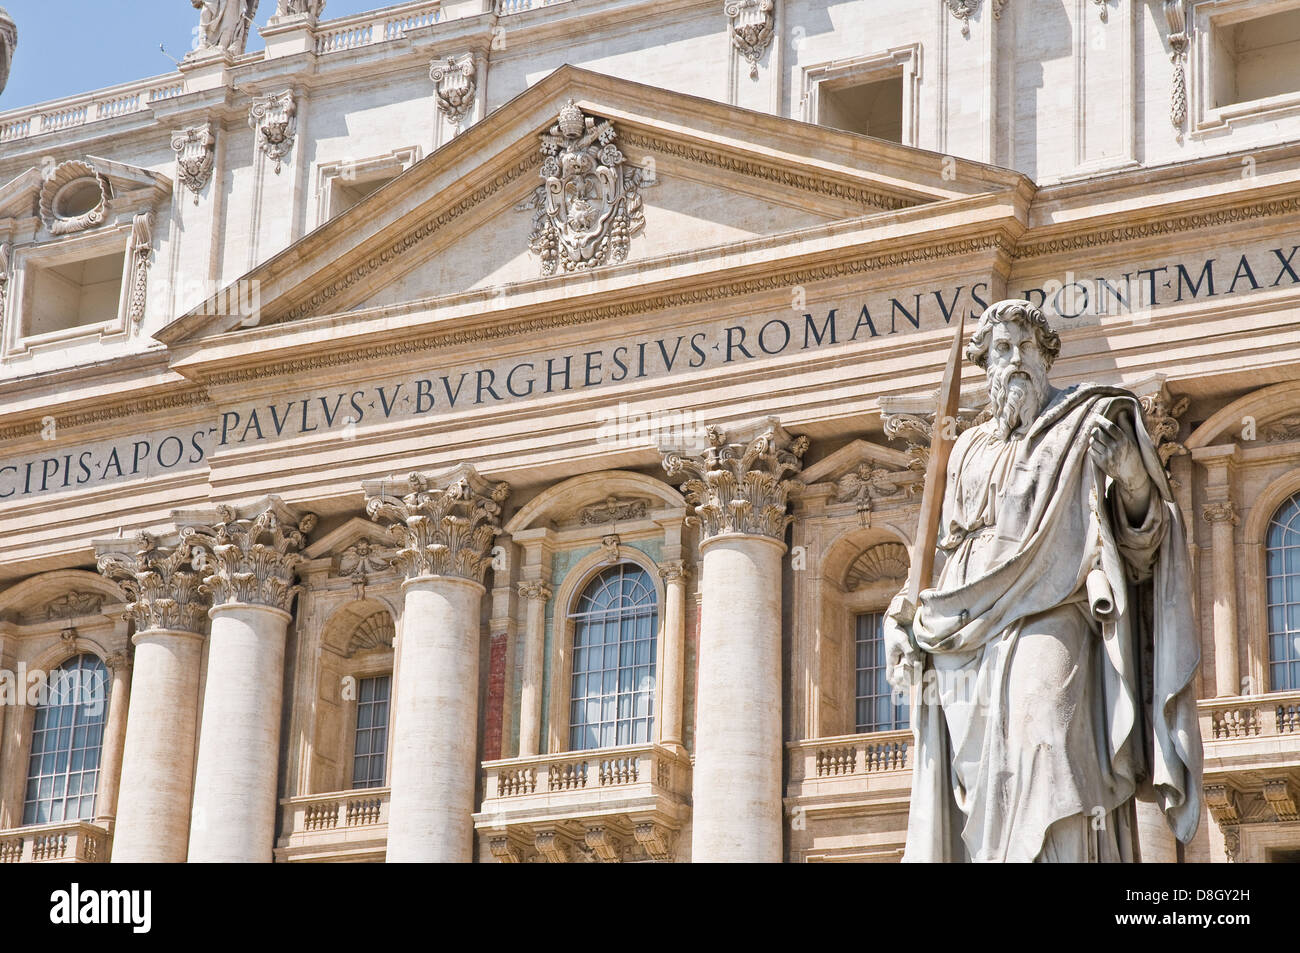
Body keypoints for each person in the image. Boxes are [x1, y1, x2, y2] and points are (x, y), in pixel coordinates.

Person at [884, 299, 1202, 862]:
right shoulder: (966, 449)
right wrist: (908, 612)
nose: (1016, 360)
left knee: (1048, 738)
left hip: (1055, 603)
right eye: (1003, 349)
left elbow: (1142, 545)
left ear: (1049, 355)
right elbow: (945, 547)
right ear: (985, 364)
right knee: (984, 779)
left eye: (1028, 347)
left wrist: (1130, 474)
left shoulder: (1086, 422)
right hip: (966, 628)